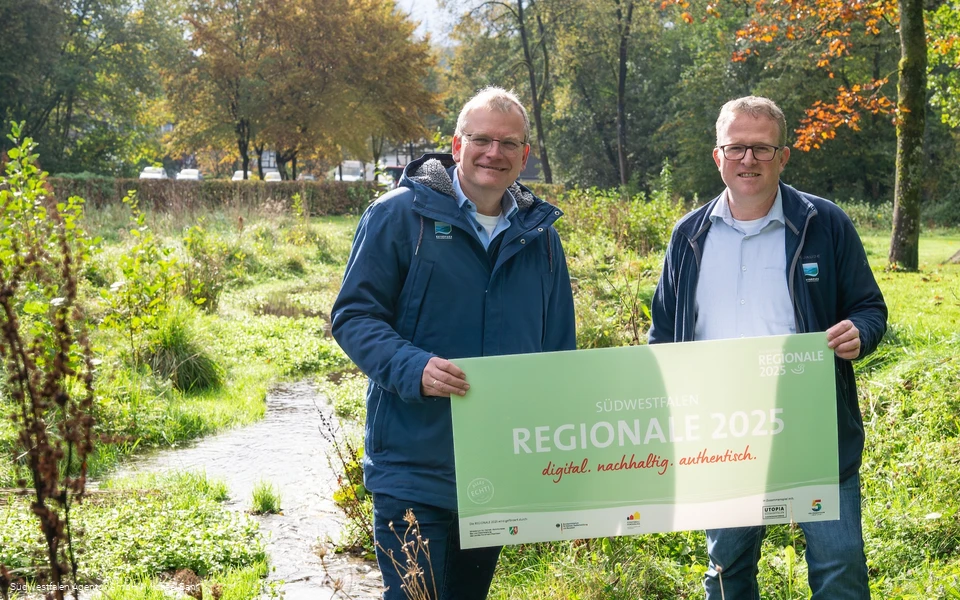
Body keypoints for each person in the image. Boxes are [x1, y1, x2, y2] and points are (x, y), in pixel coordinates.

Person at [331, 86, 576, 599]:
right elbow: (354, 316)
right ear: (456, 145)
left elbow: (558, 354)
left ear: (525, 155)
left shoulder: (541, 237)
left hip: (495, 466)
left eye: (509, 143)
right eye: (481, 139)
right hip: (413, 462)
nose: (495, 153)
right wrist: (412, 366)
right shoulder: (399, 216)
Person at [648, 96, 887, 599]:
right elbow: (664, 336)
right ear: (718, 155)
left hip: (813, 428)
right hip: (720, 434)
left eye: (761, 148)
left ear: (783, 155)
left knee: (839, 564)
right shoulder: (689, 235)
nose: (748, 160)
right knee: (728, 567)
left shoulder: (826, 223)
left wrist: (858, 333)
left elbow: (869, 308)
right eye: (737, 148)